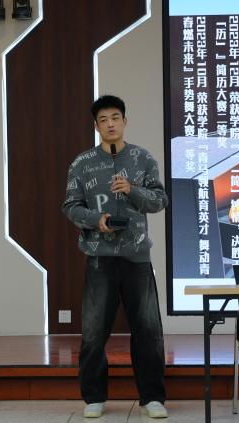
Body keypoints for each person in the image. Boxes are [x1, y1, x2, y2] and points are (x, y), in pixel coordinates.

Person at [62, 95, 168, 419]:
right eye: (103, 119)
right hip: (100, 257)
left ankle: (152, 398)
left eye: (115, 118)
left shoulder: (142, 158)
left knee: (147, 330)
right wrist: (97, 220)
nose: (110, 124)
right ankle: (94, 396)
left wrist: (132, 189)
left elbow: (160, 199)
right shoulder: (82, 163)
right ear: (96, 126)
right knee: (94, 332)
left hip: (137, 257)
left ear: (125, 121)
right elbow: (70, 206)